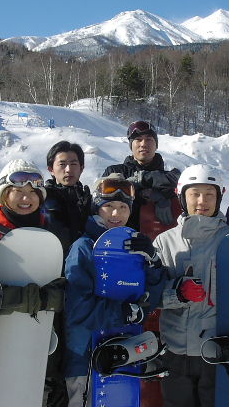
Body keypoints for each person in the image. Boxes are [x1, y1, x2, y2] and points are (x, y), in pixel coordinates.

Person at [0, 159, 71, 407]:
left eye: (33, 192)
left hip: (41, 342)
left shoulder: (52, 232)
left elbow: (67, 280)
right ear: (4, 194)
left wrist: (62, 294)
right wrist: (38, 299)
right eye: (18, 191)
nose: (26, 198)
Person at [63, 173, 164, 406]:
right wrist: (123, 312)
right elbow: (78, 309)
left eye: (123, 207)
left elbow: (151, 300)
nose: (116, 214)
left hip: (126, 354)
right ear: (96, 209)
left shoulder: (134, 248)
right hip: (87, 359)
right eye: (108, 206)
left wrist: (153, 262)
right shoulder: (84, 248)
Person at [153, 164, 229, 407]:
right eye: (195, 194)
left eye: (209, 194)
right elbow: (150, 294)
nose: (202, 201)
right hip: (174, 351)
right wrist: (176, 293)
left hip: (216, 349)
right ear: (182, 197)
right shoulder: (164, 242)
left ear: (219, 197)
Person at [102, 121, 180, 231]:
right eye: (138, 139)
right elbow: (102, 204)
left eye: (149, 139)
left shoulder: (171, 176)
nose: (143, 144)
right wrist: (140, 195)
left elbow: (184, 187)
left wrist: (164, 194)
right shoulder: (114, 171)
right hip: (120, 237)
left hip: (160, 239)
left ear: (156, 145)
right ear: (131, 145)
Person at [43, 141, 92, 242]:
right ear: (51, 169)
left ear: (81, 168)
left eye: (73, 164)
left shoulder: (88, 201)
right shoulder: (41, 199)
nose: (68, 169)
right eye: (62, 164)